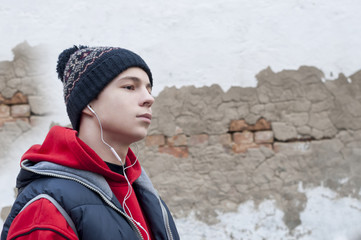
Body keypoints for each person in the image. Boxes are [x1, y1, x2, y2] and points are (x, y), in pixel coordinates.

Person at [1, 45, 179, 240]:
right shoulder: (46, 207)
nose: (148, 98)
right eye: (130, 87)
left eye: (148, 89)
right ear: (87, 102)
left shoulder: (144, 194)